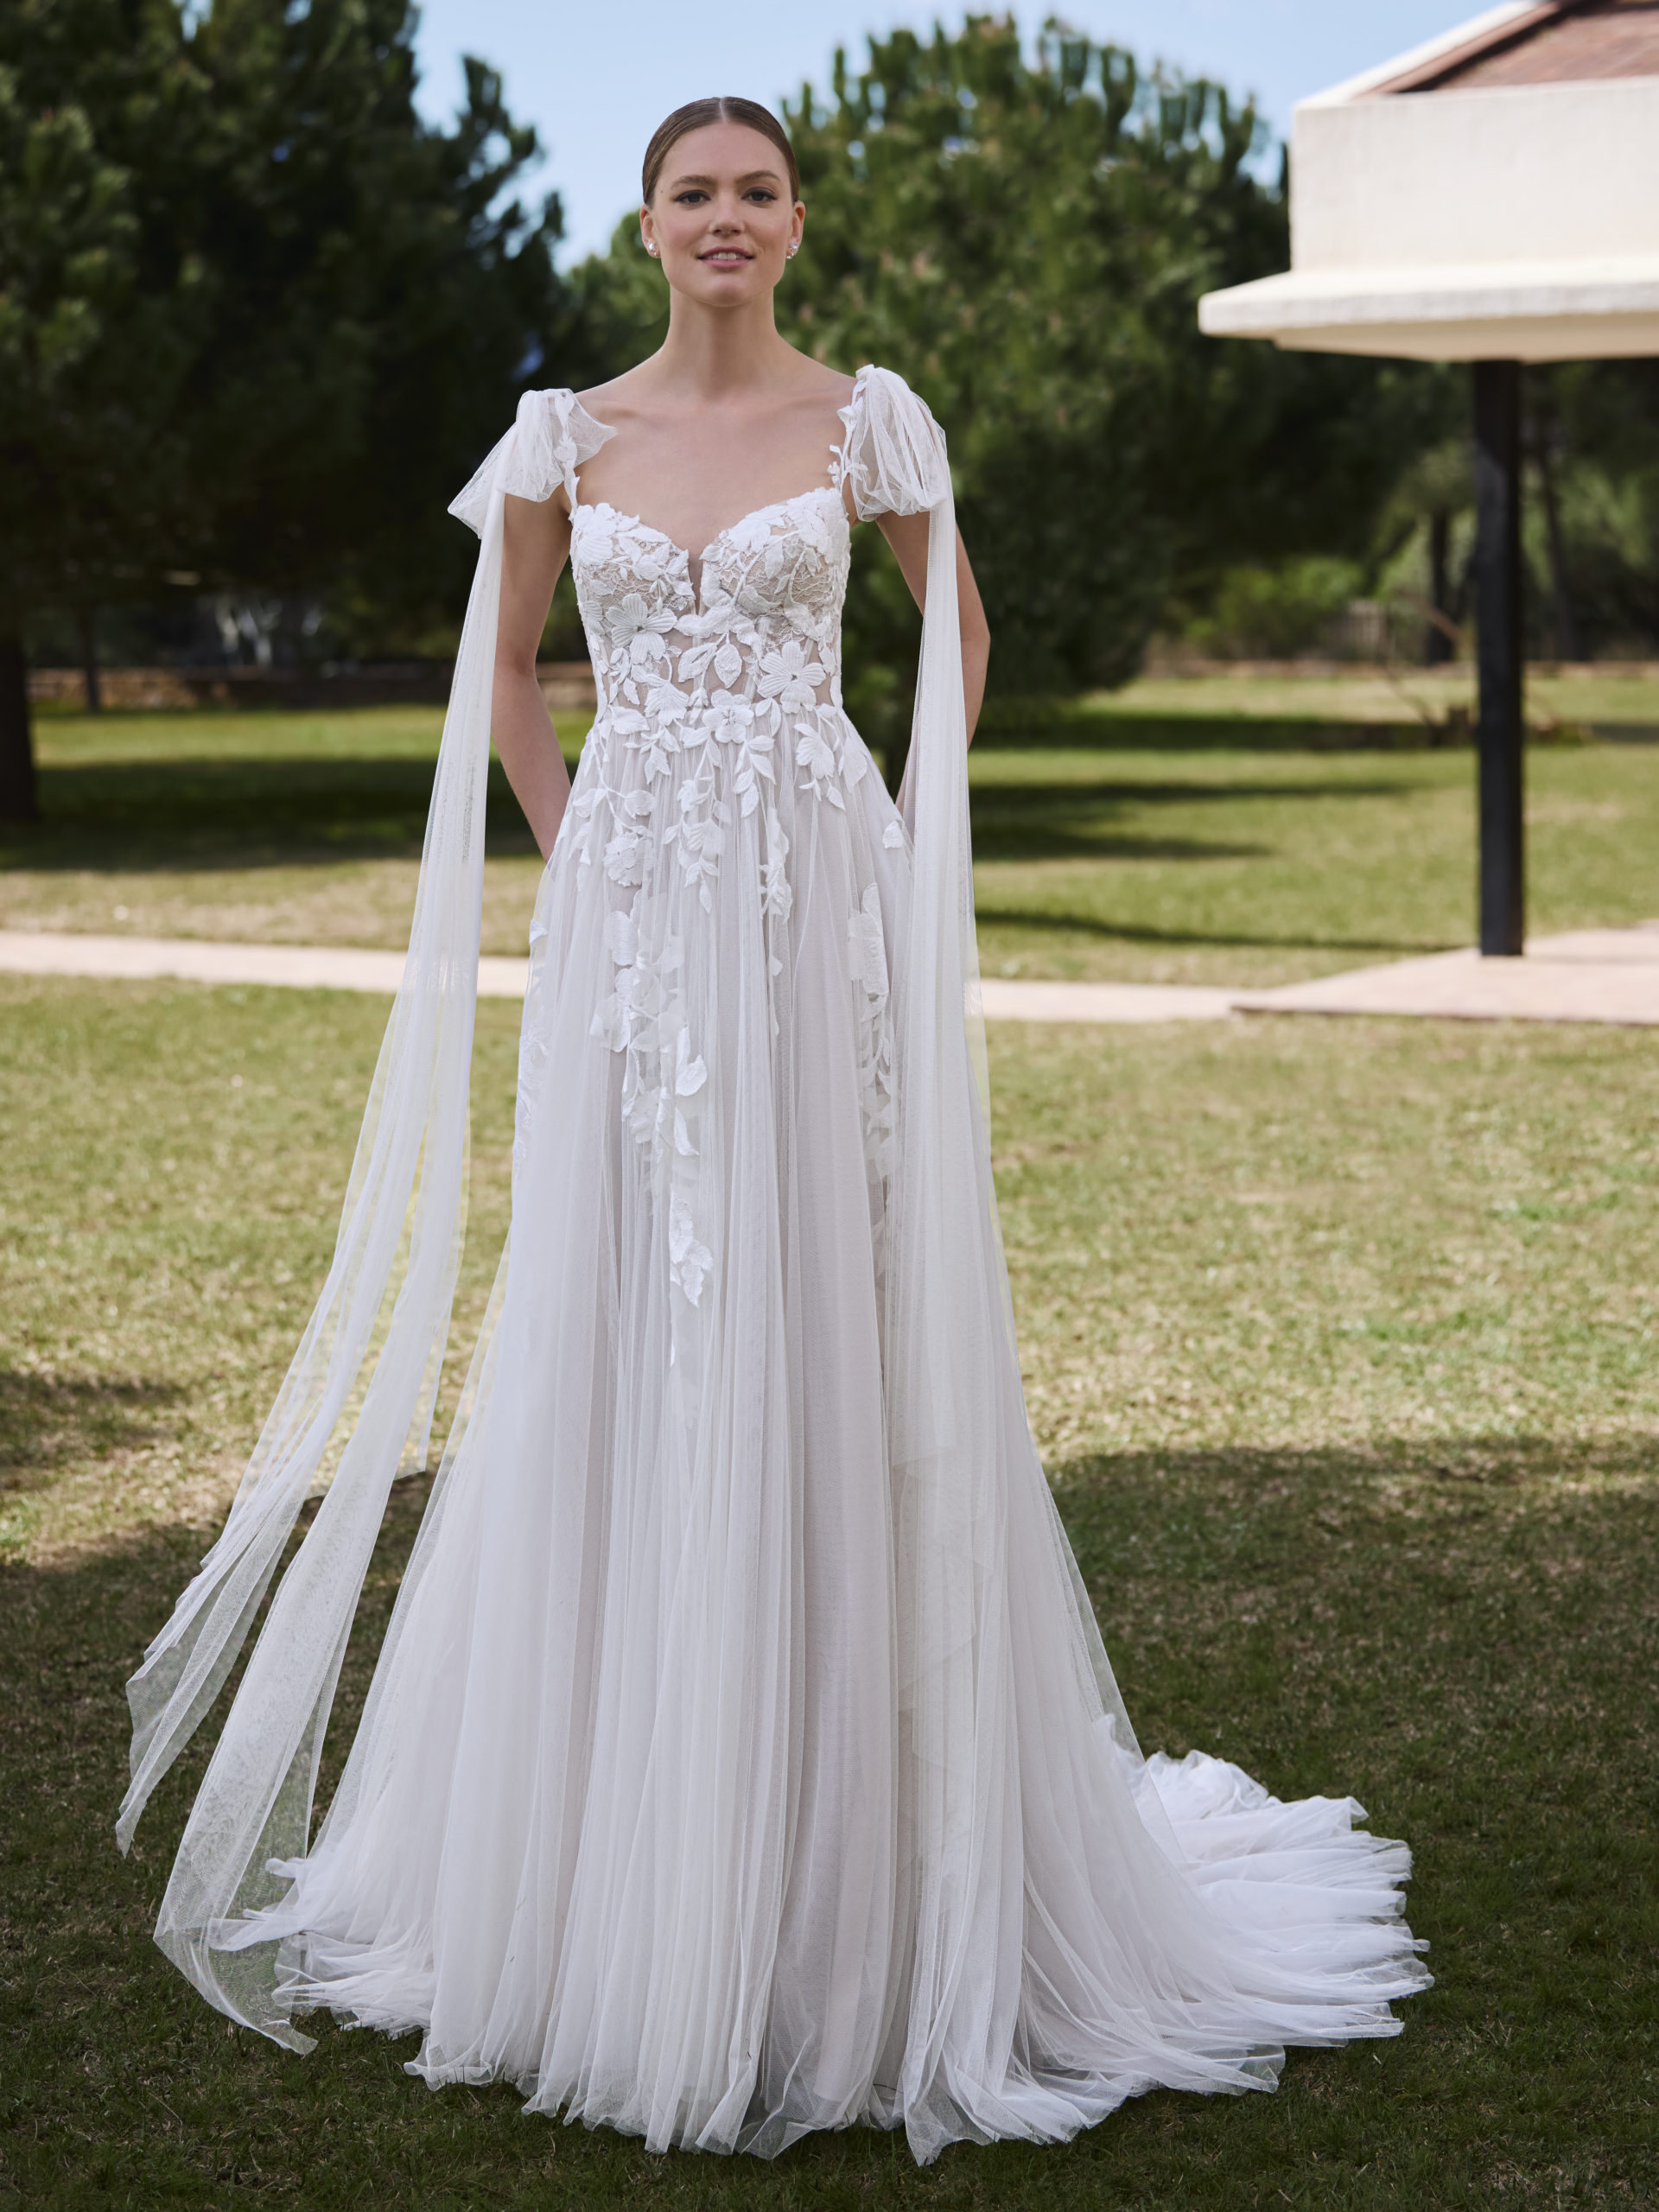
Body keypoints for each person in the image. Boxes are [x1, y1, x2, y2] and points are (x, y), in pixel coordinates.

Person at [118, 96, 1427, 2165]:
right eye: (690, 194)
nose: (723, 220)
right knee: (629, 1313)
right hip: (637, 939)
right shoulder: (562, 433)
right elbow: (509, 672)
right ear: (646, 223)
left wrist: (887, 855)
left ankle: (849, 1874)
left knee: (827, 1300)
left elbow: (959, 645)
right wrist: (594, 838)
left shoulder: (870, 421)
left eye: (755, 194)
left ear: (796, 223)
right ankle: (610, 1866)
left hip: (824, 921)